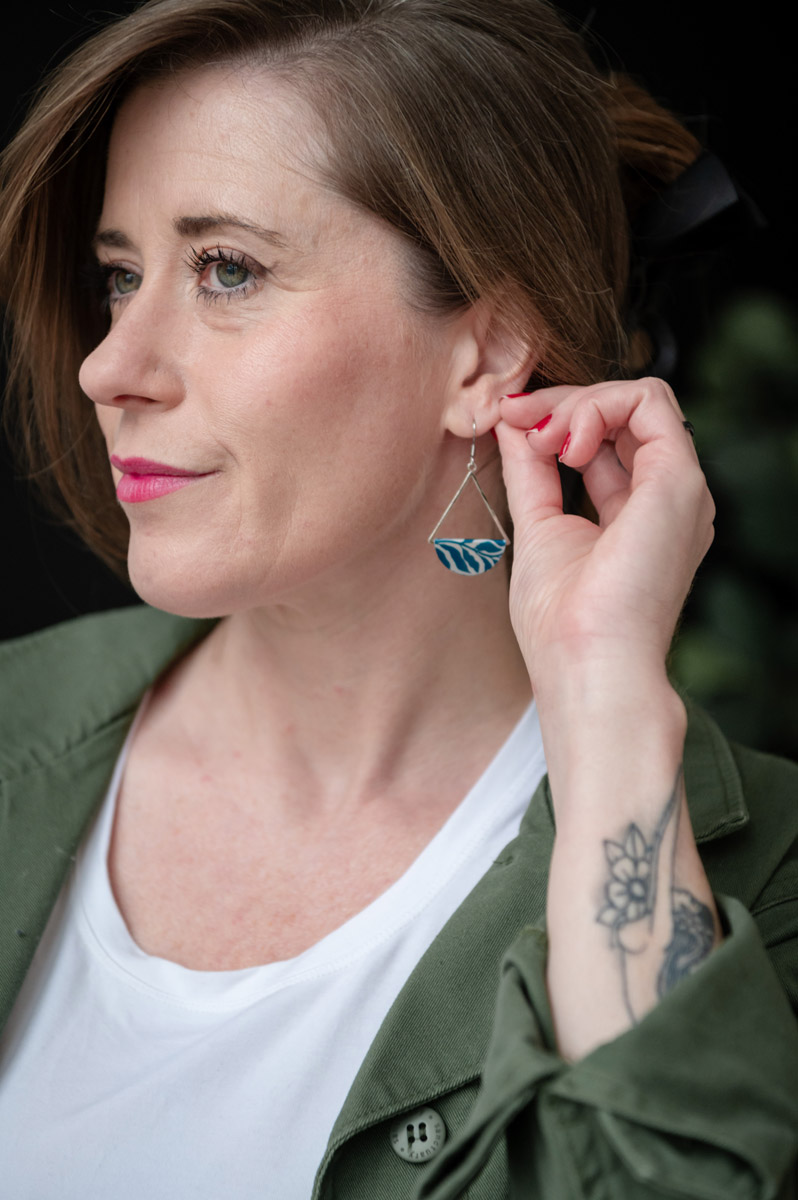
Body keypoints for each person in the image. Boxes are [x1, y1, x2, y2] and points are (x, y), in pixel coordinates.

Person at [0, 0, 796, 1196]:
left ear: (488, 352)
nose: (106, 365)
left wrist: (607, 701)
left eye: (226, 269)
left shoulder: (765, 880)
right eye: (121, 276)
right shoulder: (13, 731)